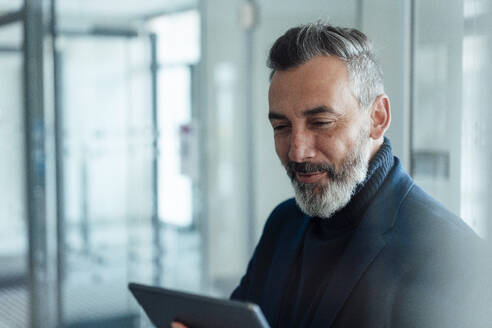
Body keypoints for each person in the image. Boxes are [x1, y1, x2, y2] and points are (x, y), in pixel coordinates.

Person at [173, 22, 490, 328]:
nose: (297, 152)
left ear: (377, 119)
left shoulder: (456, 258)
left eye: (321, 122)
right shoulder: (282, 223)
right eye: (281, 127)